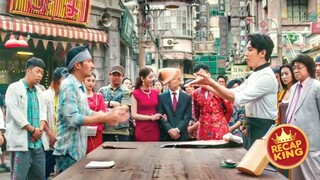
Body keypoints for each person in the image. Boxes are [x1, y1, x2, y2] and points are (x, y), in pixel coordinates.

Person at [187, 33, 277, 149]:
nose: (246, 54)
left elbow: (236, 98)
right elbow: (230, 93)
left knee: (262, 166)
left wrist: (210, 82)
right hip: (252, 127)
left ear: (262, 53)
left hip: (263, 128)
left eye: (250, 50)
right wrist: (207, 85)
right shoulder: (255, 75)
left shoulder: (266, 76)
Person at [53, 46, 129, 173]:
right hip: (68, 153)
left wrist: (110, 114)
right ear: (77, 65)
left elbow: (87, 112)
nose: (92, 65)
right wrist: (104, 117)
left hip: (78, 151)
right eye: (88, 61)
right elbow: (73, 119)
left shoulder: (79, 85)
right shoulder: (69, 85)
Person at [5, 57, 48, 179]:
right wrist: (32, 130)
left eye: (42, 73)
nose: (40, 75)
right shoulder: (14, 88)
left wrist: (39, 129)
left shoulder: (39, 91)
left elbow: (43, 112)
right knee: (19, 177)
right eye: (37, 71)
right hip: (22, 144)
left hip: (38, 144)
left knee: (39, 177)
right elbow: (15, 113)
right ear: (28, 71)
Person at [286, 55, 320, 180]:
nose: (295, 71)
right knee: (297, 176)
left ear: (309, 68)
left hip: (311, 142)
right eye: (294, 68)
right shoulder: (294, 87)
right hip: (293, 142)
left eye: (299, 67)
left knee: (312, 176)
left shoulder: (316, 86)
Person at [192, 64, 233, 140]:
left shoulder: (219, 89)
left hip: (220, 127)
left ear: (208, 75)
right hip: (203, 128)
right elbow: (196, 112)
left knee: (221, 150)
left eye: (202, 75)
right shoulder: (195, 93)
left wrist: (221, 121)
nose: (200, 78)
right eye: (197, 76)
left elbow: (229, 109)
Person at [42, 67, 68, 179]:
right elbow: (42, 117)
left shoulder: (66, 96)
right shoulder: (45, 95)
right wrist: (50, 134)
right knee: (44, 171)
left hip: (63, 141)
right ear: (58, 81)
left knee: (63, 173)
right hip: (49, 142)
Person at [157, 68, 191, 141]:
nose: (170, 82)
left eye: (172, 79)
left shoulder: (186, 97)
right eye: (168, 80)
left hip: (182, 135)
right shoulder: (161, 97)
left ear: (179, 80)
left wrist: (178, 130)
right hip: (166, 135)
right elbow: (160, 115)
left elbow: (187, 116)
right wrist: (170, 130)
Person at [98, 65, 131, 142]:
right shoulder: (102, 90)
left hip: (121, 130)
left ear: (123, 76)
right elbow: (99, 107)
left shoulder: (126, 91)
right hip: (105, 130)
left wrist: (106, 106)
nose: (116, 77)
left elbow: (125, 108)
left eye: (118, 75)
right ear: (110, 75)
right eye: (114, 75)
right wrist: (112, 103)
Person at [131, 67, 162, 141]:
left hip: (155, 128)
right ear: (142, 78)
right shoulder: (135, 93)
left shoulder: (156, 92)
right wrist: (150, 117)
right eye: (150, 77)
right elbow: (134, 115)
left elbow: (160, 109)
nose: (153, 79)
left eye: (153, 77)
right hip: (142, 129)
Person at [84, 72, 107, 153]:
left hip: (96, 131)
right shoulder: (79, 97)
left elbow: (103, 114)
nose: (91, 83)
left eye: (93, 81)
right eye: (88, 80)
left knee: (95, 153)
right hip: (82, 130)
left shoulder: (99, 96)